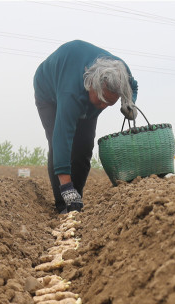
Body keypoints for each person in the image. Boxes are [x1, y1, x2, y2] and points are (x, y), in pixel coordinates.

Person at [34, 40, 139, 214]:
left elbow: (133, 87)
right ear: (91, 84)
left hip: (79, 91)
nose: (102, 107)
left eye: (109, 103)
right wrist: (67, 187)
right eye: (100, 100)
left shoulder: (122, 72)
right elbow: (62, 138)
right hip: (49, 93)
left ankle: (76, 201)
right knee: (57, 142)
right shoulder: (71, 93)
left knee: (84, 146)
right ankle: (63, 204)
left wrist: (129, 102)